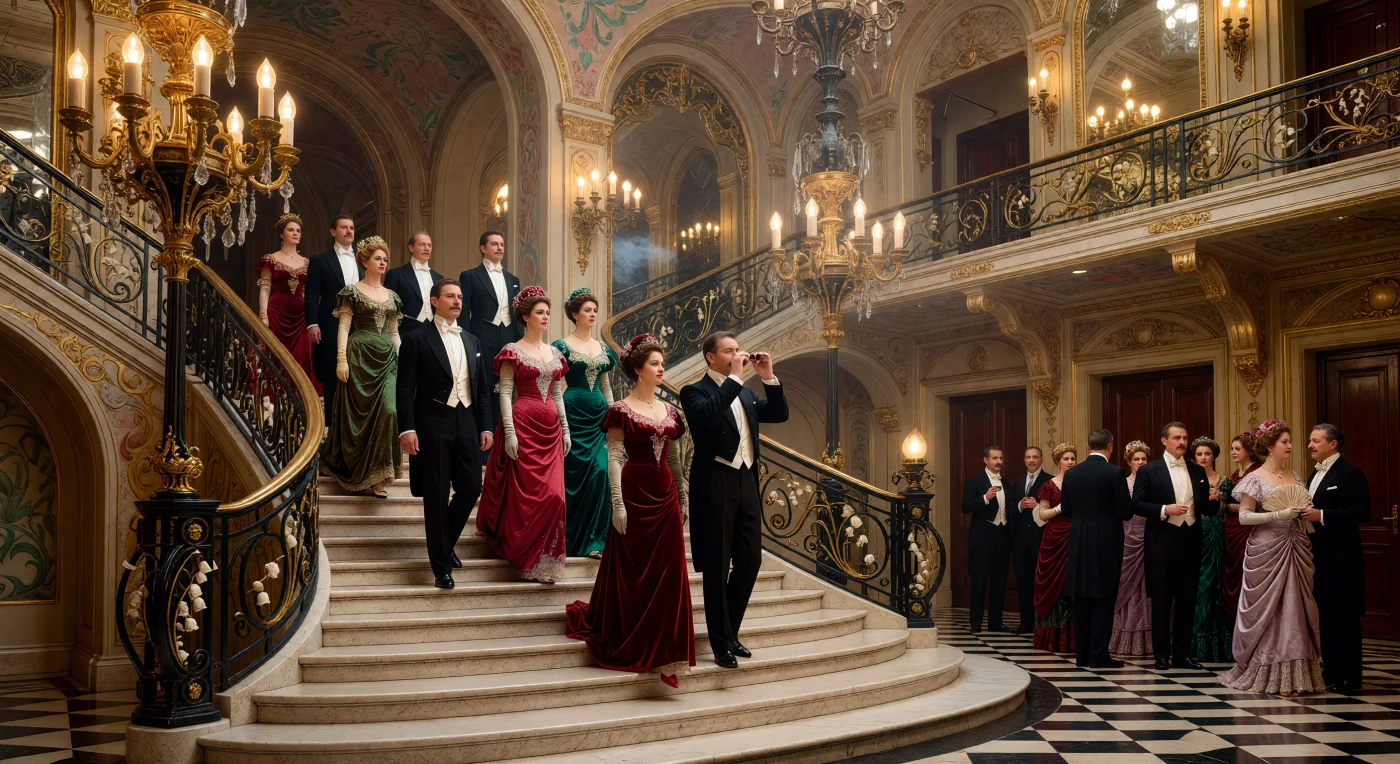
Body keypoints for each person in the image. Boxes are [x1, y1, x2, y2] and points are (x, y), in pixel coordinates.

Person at [566, 334, 694, 688]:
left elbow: (673, 457)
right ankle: (633, 639)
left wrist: (682, 496)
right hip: (634, 493)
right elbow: (615, 457)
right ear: (639, 370)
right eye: (655, 363)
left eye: (662, 363)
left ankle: (665, 650)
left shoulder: (670, 411)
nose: (661, 368)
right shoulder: (621, 410)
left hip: (665, 495)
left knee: (670, 572)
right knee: (634, 572)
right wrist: (617, 503)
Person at [680, 331, 788, 669]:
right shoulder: (694, 391)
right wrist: (736, 378)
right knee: (716, 565)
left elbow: (779, 414)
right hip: (715, 481)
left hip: (746, 479)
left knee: (750, 561)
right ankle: (721, 644)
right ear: (711, 357)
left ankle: (730, 633)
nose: (737, 354)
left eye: (738, 349)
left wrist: (768, 377)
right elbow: (710, 415)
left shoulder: (745, 392)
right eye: (729, 351)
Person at [396, 279, 494, 589]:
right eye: (450, 296)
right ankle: (441, 568)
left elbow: (481, 389)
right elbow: (404, 387)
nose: (457, 301)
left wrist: (486, 426)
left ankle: (444, 543)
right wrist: (407, 428)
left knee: (471, 487)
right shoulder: (415, 339)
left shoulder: (472, 341)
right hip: (433, 420)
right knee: (436, 494)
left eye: (460, 297)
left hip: (467, 419)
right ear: (434, 300)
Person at [1219, 419, 1324, 696]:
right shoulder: (1254, 478)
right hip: (1266, 547)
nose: (1290, 446)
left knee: (1295, 607)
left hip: (1295, 544)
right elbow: (1244, 517)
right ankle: (1265, 668)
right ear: (1269, 446)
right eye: (1284, 442)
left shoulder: (1295, 477)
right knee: (1270, 609)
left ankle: (1297, 675)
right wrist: (1278, 514)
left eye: (1290, 441)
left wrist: (1302, 513)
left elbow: (1302, 509)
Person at [475, 286, 568, 583]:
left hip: (550, 431)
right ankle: (526, 557)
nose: (546, 317)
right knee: (526, 498)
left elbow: (557, 393)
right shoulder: (512, 351)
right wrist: (510, 432)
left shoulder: (555, 353)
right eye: (540, 312)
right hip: (522, 425)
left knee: (555, 497)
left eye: (548, 312)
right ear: (526, 317)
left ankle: (545, 559)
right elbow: (505, 393)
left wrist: (566, 429)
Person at [1132, 421, 1219, 670]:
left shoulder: (1197, 470)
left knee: (1187, 598)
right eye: (1177, 438)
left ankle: (1182, 654)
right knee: (1161, 598)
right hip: (1161, 540)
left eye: (1185, 438)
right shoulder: (1149, 470)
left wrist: (1214, 500)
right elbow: (1136, 504)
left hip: (1190, 539)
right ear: (1164, 441)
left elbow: (1207, 508)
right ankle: (1161, 654)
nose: (1182, 442)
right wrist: (1164, 509)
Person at [321, 237, 403, 497]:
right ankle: (362, 473)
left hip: (386, 359)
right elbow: (344, 327)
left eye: (385, 259)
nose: (383, 262)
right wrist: (341, 359)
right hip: (359, 356)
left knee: (390, 411)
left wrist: (404, 360)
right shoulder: (352, 291)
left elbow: (394, 333)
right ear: (365, 262)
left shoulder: (393, 296)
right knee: (359, 416)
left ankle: (379, 474)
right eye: (378, 258)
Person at [1305, 423, 1371, 692]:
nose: (1310, 445)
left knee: (1345, 616)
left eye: (1315, 441)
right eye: (1310, 440)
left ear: (1333, 444)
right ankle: (1331, 671)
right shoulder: (1314, 473)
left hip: (1343, 559)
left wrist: (1321, 515)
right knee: (1326, 615)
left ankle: (1350, 678)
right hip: (1318, 557)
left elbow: (1362, 512)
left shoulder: (1351, 473)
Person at [553, 289, 618, 559]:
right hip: (573, 414)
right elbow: (555, 387)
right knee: (574, 477)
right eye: (587, 310)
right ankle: (572, 539)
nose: (593, 315)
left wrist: (615, 417)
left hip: (598, 418)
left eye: (595, 310)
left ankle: (596, 541)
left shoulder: (603, 348)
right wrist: (562, 424)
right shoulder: (562, 346)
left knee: (602, 472)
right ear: (574, 314)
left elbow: (606, 386)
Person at [1063, 429, 1134, 668]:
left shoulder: (1072, 473)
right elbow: (1126, 511)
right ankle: (1098, 655)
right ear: (1110, 445)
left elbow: (1067, 509)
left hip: (1078, 539)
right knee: (1104, 598)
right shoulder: (1115, 472)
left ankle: (1082, 655)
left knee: (1081, 598)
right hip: (1106, 540)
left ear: (1088, 446)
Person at [458, 230, 523, 417]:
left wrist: (520, 338)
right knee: (485, 382)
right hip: (482, 335)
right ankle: (486, 425)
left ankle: (507, 424)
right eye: (494, 244)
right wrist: (466, 340)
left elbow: (517, 312)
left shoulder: (513, 280)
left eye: (501, 244)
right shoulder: (470, 276)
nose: (500, 248)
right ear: (483, 248)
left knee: (509, 383)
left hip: (509, 335)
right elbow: (464, 311)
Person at [305, 215, 363, 419]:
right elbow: (311, 294)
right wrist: (312, 323)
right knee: (332, 371)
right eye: (344, 227)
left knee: (357, 372)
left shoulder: (363, 262)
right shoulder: (320, 260)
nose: (349, 231)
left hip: (359, 325)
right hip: (330, 323)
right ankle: (331, 421)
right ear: (333, 232)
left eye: (352, 227)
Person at [257, 213, 320, 396]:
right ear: (281, 234)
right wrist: (263, 317)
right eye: (291, 230)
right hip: (277, 313)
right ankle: (273, 398)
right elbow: (265, 288)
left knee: (302, 356)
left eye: (298, 230)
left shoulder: (307, 263)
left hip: (300, 316)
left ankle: (299, 399)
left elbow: (309, 293)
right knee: (276, 355)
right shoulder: (270, 259)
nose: (295, 233)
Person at [960, 446, 1013, 634]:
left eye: (1001, 458)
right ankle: (975, 622)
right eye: (995, 458)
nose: (999, 462)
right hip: (983, 537)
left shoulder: (1006, 483)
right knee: (979, 582)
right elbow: (965, 506)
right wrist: (985, 497)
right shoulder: (974, 481)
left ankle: (995, 623)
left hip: (1003, 536)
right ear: (986, 460)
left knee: (1000, 582)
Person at [1032, 443, 1078, 652]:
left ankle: (1074, 637)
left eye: (1072, 459)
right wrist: (1060, 508)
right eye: (1066, 459)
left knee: (1073, 584)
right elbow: (1042, 514)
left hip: (1076, 536)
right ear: (1058, 462)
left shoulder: (1080, 482)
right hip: (1054, 539)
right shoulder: (1049, 485)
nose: (1070, 462)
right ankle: (1052, 638)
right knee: (1054, 586)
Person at [1192, 436, 1233, 663]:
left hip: (1215, 533)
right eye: (1199, 454)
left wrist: (1221, 502)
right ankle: (1192, 643)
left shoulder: (1224, 481)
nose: (1203, 457)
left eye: (1207, 454)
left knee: (1212, 584)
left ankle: (1216, 645)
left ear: (1214, 456)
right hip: (1193, 532)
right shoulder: (1190, 478)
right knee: (1195, 584)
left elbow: (1236, 507)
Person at [1109, 441, 1152, 656]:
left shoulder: (1153, 482)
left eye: (1144, 459)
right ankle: (1120, 636)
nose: (1141, 462)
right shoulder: (1123, 482)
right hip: (1126, 536)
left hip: (1149, 536)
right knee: (1124, 584)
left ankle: (1148, 638)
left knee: (1147, 587)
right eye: (1136, 459)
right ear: (1129, 461)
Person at [1008, 447, 1053, 635]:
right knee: (1023, 583)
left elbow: (1056, 510)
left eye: (1035, 457)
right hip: (1020, 542)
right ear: (1024, 460)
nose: (1031, 460)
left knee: (1043, 583)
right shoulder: (1018, 482)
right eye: (1028, 457)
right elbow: (1011, 510)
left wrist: (1037, 506)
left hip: (1041, 540)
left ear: (1041, 459)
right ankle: (1026, 623)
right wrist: (1020, 505)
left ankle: (1043, 625)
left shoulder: (1049, 481)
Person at [1222, 432, 1262, 624]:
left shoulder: (1257, 472)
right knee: (1232, 572)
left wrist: (1230, 507)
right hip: (1231, 529)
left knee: (1245, 571)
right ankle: (1232, 623)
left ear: (1249, 451)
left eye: (1238, 449)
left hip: (1247, 529)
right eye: (1232, 449)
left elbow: (1260, 505)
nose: (1233, 452)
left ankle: (1248, 619)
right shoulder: (1235, 474)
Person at [384, 231, 443, 336]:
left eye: (429, 245)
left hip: (433, 331)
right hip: (404, 331)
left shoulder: (439, 278)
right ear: (411, 248)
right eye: (422, 244)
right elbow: (388, 309)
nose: (427, 248)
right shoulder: (396, 274)